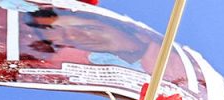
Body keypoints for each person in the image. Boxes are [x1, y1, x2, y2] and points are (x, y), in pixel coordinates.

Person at [18, 7, 190, 87]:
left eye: (87, 28)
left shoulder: (175, 64)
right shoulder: (73, 59)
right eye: (65, 40)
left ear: (140, 35)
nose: (76, 39)